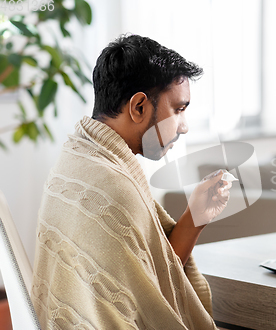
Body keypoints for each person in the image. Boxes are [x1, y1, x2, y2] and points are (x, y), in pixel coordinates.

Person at [31, 34, 231, 329]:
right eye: (178, 109)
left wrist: (196, 218)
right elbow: (157, 304)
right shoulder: (113, 186)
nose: (184, 127)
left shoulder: (76, 158)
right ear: (139, 107)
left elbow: (146, 281)